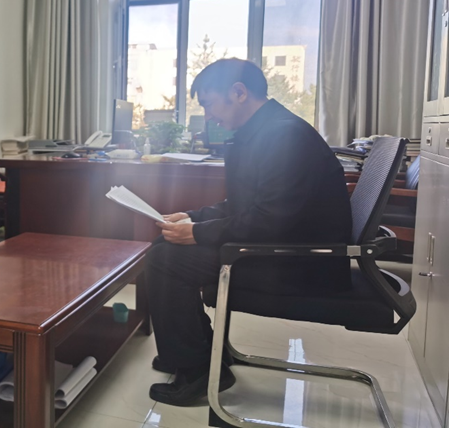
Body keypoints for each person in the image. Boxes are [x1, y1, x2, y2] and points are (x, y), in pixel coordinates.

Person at [146, 59, 352, 407]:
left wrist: (197, 233)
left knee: (166, 259)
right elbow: (245, 205)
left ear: (239, 93)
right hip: (282, 248)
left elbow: (270, 220)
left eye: (209, 104)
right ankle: (195, 352)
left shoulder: (285, 135)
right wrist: (192, 218)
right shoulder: (267, 131)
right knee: (164, 244)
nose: (209, 116)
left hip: (301, 263)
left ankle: (197, 370)